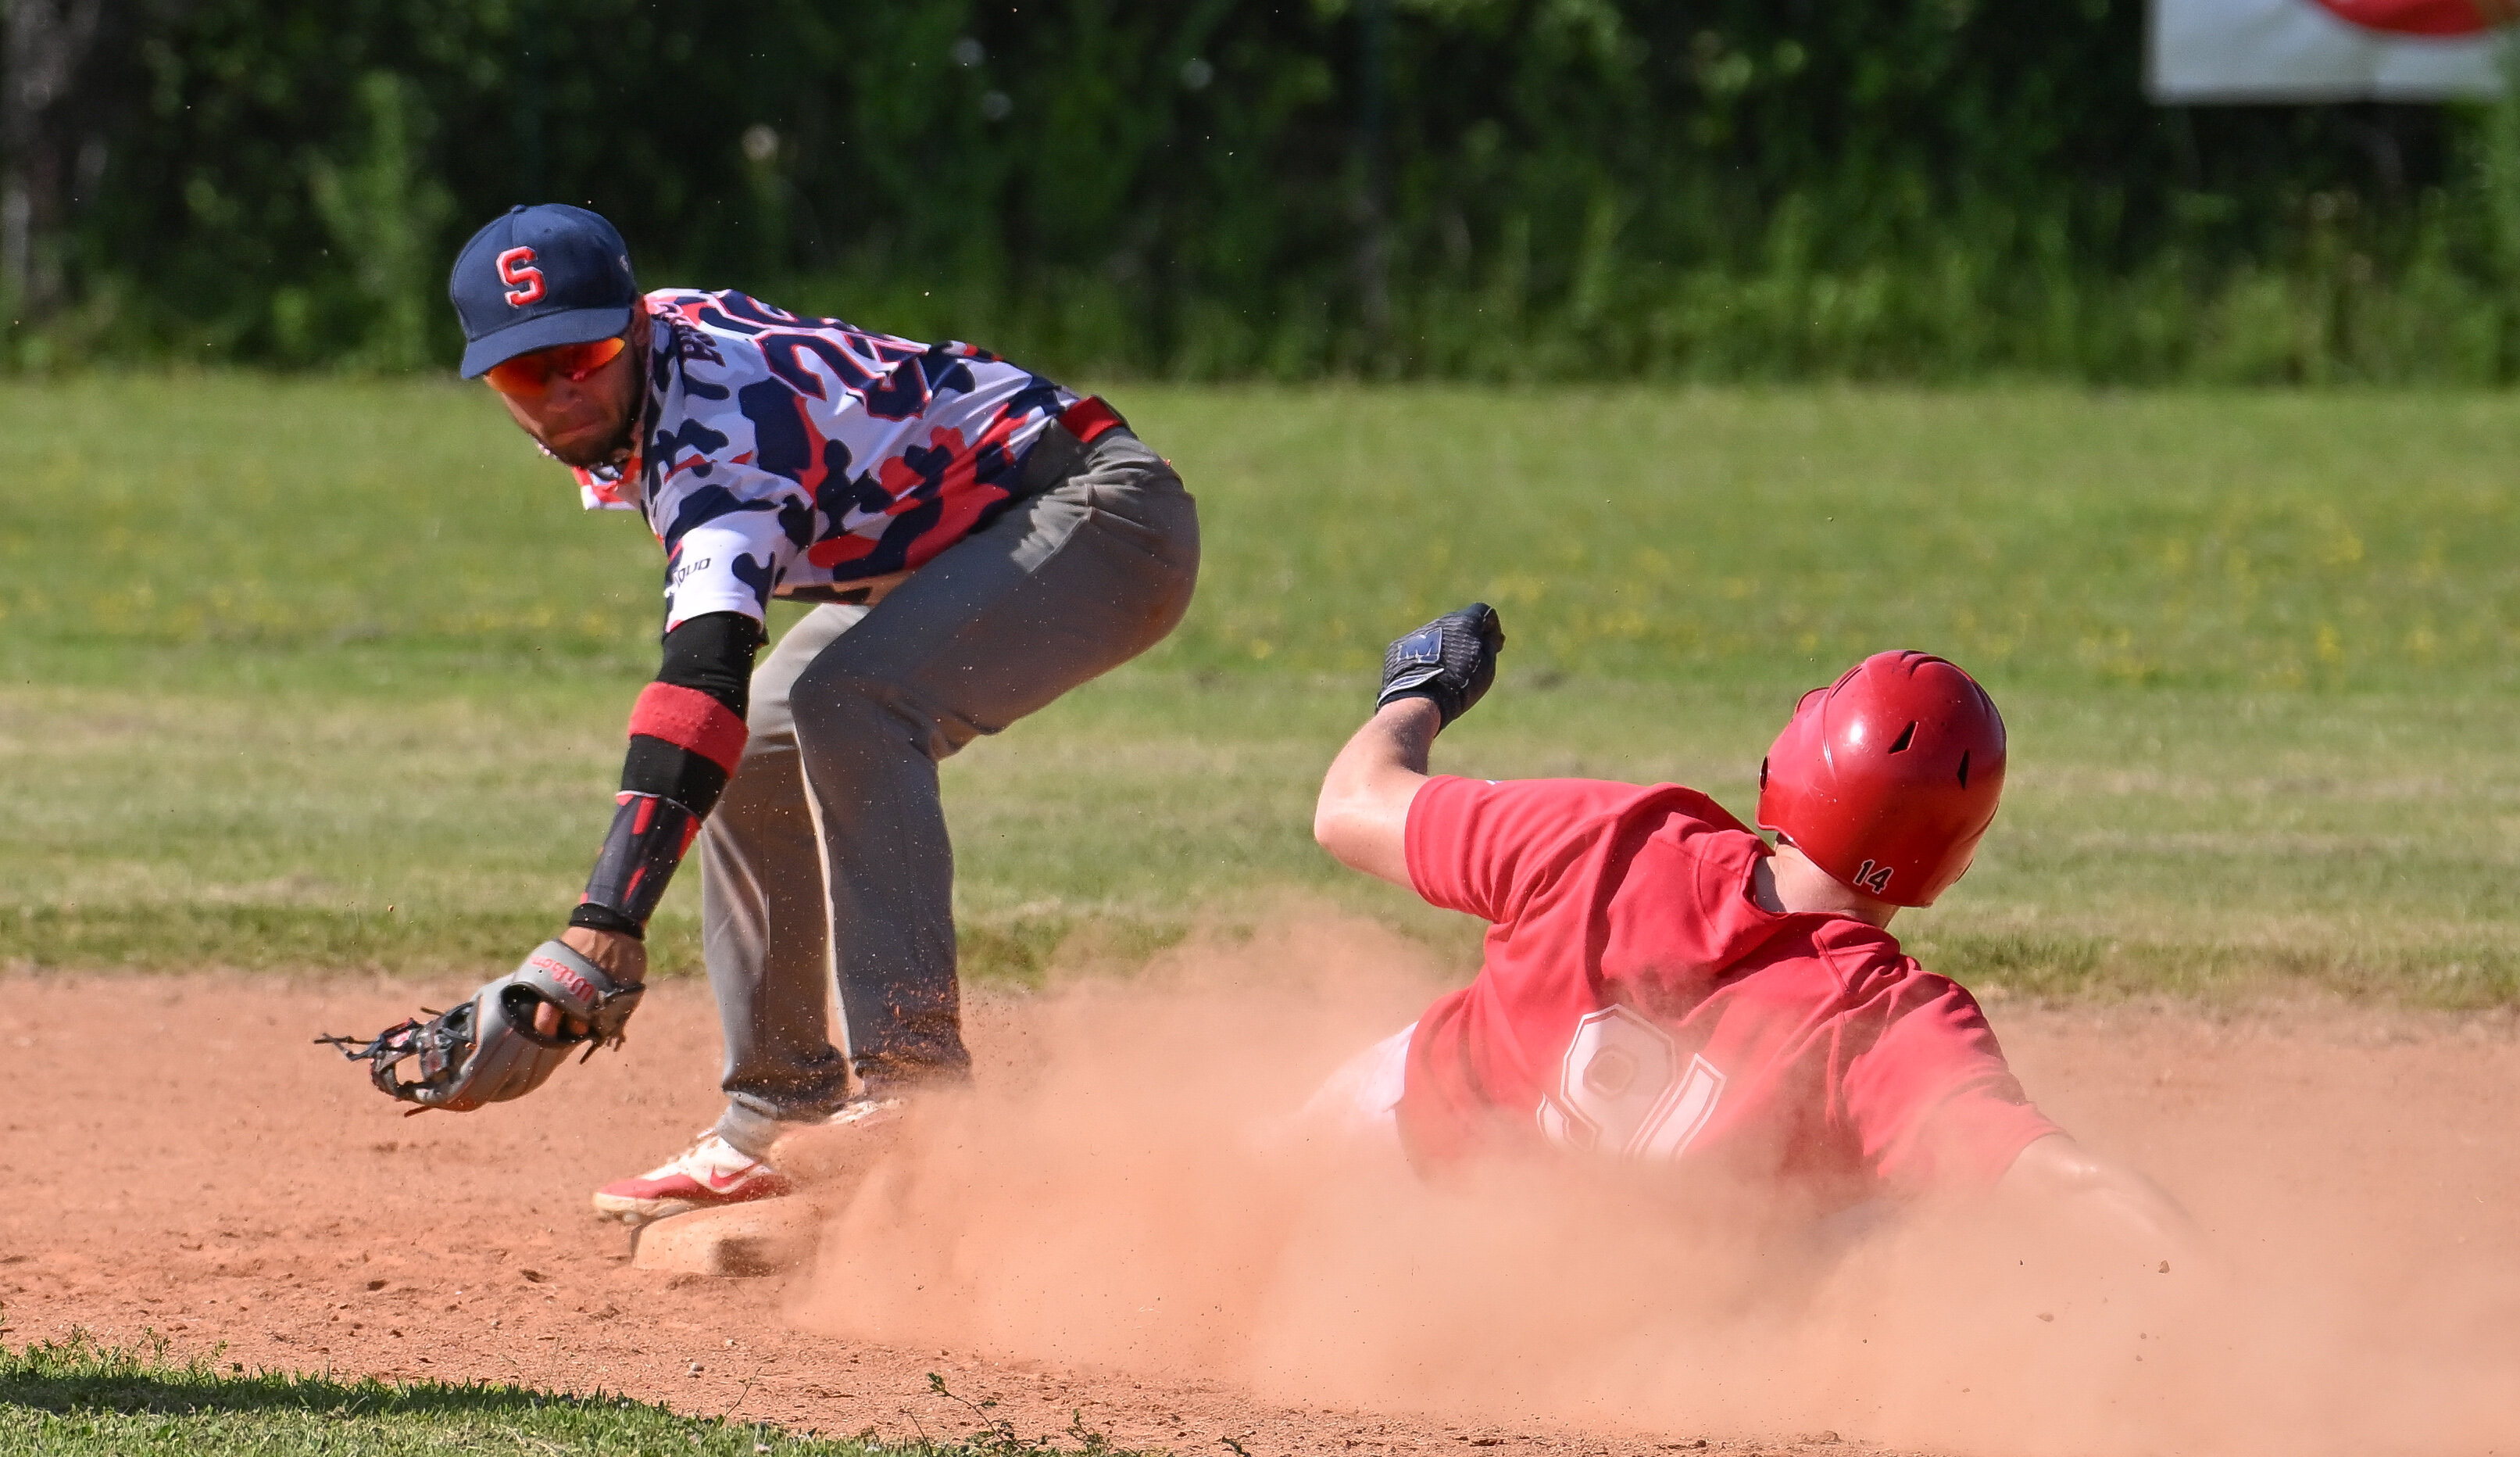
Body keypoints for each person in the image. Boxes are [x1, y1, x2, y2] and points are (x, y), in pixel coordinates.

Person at [443, 203, 1199, 1223]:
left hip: (1103, 516)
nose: (562, 386)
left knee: (845, 700)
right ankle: (776, 1115)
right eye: (524, 372)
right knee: (762, 740)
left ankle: (918, 1093)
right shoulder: (667, 352)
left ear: (630, 326)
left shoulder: (714, 450)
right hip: (962, 533)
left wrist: (602, 927)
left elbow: (696, 683)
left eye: (581, 349)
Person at [1307, 605, 2194, 1258]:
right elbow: (2044, 1173)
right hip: (1578, 1296)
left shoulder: (1614, 835)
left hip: (1388, 1175)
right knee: (1885, 1214)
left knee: (1305, 1145)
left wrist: (1418, 692)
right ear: (1951, 857)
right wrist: (2209, 1277)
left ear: (1796, 758)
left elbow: (1351, 809)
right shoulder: (1892, 1026)